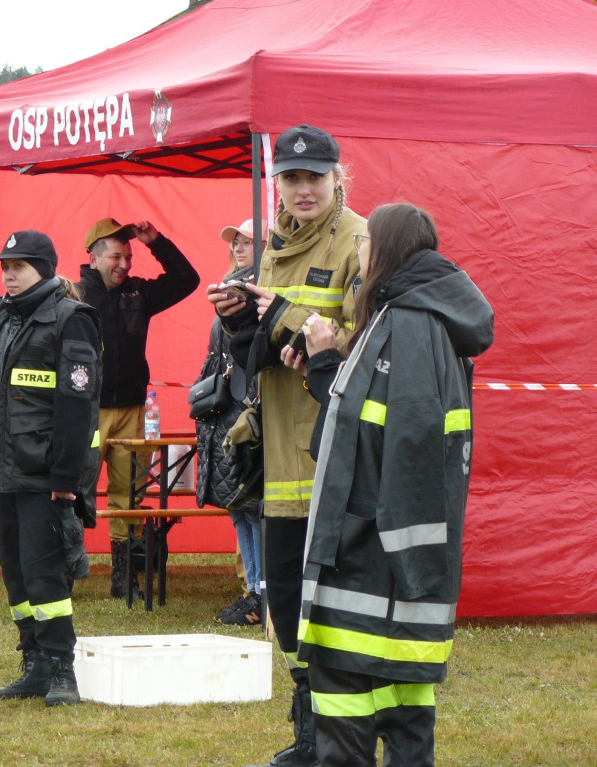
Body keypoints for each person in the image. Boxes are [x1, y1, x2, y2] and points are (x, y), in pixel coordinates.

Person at [284, 203, 494, 766]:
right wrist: (326, 368)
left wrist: (409, 557)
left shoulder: (410, 326)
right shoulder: (403, 318)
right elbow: (360, 433)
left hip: (375, 569)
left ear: (388, 249)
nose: (358, 251)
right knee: (404, 713)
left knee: (354, 714)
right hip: (382, 569)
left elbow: (414, 455)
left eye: (365, 242)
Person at [209, 125, 365, 767]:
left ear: (337, 178)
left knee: (332, 614)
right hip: (278, 456)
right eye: (292, 179)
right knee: (290, 609)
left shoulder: (360, 241)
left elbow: (365, 339)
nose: (303, 190)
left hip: (334, 456)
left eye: (315, 177)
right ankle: (308, 735)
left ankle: (335, 741)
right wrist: (238, 318)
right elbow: (262, 352)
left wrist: (281, 314)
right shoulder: (272, 245)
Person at [0, 229, 101, 707]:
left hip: (45, 473)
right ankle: (34, 666)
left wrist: (66, 480)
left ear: (44, 267)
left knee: (45, 577)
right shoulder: (2, 318)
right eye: (4, 267)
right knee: (17, 576)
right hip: (7, 468)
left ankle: (63, 672)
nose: (8, 275)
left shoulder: (71, 319)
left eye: (18, 266)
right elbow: (5, 388)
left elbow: (78, 405)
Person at [77, 217, 200, 599]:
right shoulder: (73, 296)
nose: (125, 264)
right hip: (88, 412)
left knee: (127, 494)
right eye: (116, 256)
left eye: (129, 256)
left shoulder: (138, 294)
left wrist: (156, 242)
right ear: (94, 258)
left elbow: (187, 280)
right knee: (74, 489)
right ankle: (63, 566)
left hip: (133, 409)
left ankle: (123, 572)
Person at [195, 218, 266, 627]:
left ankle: (261, 592)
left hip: (249, 410)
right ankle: (251, 590)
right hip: (224, 413)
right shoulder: (228, 285)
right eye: (235, 242)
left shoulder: (258, 291)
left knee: (253, 505)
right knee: (238, 507)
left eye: (247, 241)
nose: (239, 247)